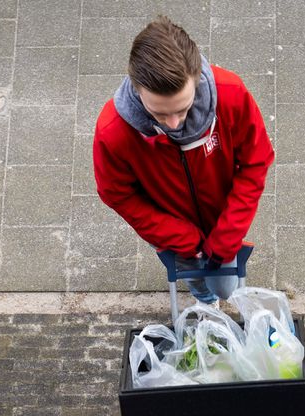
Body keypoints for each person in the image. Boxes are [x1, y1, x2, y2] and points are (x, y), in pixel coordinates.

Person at [92, 16, 274, 305]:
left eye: (183, 109)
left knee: (226, 287)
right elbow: (117, 194)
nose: (174, 124)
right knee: (194, 277)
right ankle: (204, 300)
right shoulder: (113, 132)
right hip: (172, 232)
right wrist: (180, 238)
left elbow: (256, 159)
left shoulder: (231, 94)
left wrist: (228, 232)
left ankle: (216, 294)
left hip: (224, 221)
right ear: (137, 89)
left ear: (197, 77)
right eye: (160, 114)